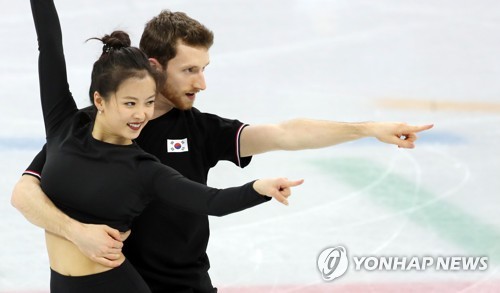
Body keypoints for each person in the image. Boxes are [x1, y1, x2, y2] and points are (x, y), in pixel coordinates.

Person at [11, 6, 434, 293]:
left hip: (185, 284)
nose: (201, 83)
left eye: (204, 69)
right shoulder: (88, 125)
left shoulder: (201, 131)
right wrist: (76, 233)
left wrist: (367, 128)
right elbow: (26, 193)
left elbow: (286, 133)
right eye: (190, 70)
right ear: (154, 68)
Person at [18, 0, 304, 292]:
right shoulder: (65, 124)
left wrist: (259, 189)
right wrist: (75, 232)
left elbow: (210, 201)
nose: (142, 114)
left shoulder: (142, 167)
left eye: (149, 103)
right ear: (100, 101)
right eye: (130, 103)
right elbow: (49, 44)